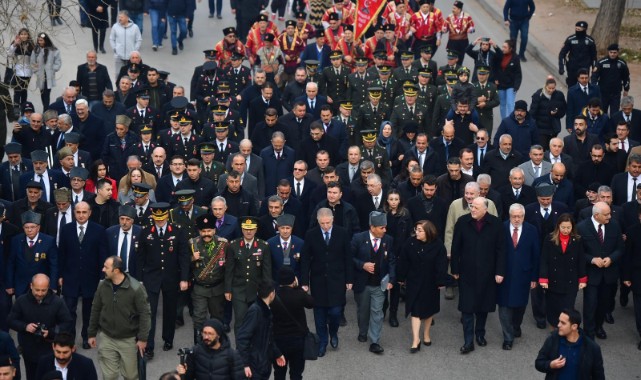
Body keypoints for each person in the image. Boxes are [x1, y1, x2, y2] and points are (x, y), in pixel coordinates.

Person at [451, 197, 505, 354]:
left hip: (488, 274)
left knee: (483, 307)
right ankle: (468, 341)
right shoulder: (462, 222)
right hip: (467, 273)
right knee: (467, 308)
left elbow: (501, 250)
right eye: (471, 206)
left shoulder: (495, 224)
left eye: (475, 207)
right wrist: (454, 269)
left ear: (485, 210)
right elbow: (456, 248)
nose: (472, 209)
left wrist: (500, 272)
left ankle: (480, 333)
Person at [136, 202, 189, 358]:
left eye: (162, 217)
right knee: (149, 312)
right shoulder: (146, 232)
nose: (159, 221)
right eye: (156, 218)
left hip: (171, 277)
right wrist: (139, 280)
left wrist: (184, 278)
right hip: (151, 277)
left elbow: (184, 257)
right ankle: (149, 346)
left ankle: (168, 338)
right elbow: (140, 259)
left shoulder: (178, 232)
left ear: (167, 216)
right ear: (153, 216)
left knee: (170, 311)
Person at [300, 208, 353, 357]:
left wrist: (349, 279)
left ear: (332, 220)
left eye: (328, 223)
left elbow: (348, 257)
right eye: (322, 223)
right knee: (319, 315)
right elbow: (305, 259)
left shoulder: (342, 233)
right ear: (318, 221)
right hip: (318, 281)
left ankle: (334, 333)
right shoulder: (311, 234)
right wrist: (305, 281)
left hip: (337, 280)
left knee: (336, 312)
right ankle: (322, 342)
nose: (325, 226)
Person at [88, 256, 151, 380]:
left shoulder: (136, 288)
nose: (103, 269)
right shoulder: (102, 286)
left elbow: (145, 314)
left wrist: (143, 339)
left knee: (131, 376)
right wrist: (91, 333)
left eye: (106, 267)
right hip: (107, 338)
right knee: (109, 376)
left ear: (116, 270)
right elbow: (95, 309)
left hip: (128, 340)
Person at [58, 201, 108, 348]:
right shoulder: (66, 229)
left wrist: (102, 277)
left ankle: (86, 336)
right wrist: (60, 275)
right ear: (74, 213)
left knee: (89, 311)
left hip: (90, 278)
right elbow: (62, 254)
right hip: (70, 277)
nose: (81, 215)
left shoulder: (99, 230)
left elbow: (103, 255)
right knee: (69, 311)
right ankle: (70, 338)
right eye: (78, 212)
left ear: (90, 213)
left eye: (84, 212)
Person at [8, 274, 72, 380]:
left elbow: (67, 323)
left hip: (49, 350)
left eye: (43, 290)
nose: (40, 293)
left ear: (48, 288)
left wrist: (50, 332)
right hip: (29, 349)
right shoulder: (21, 301)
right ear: (31, 286)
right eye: (37, 290)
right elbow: (11, 320)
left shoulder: (57, 302)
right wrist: (25, 327)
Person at [397, 220, 447, 353]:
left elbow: (441, 264)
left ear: (428, 232)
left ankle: (426, 334)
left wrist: (441, 281)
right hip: (414, 281)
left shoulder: (438, 245)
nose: (416, 232)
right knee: (415, 309)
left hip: (431, 282)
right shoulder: (410, 243)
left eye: (420, 230)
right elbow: (403, 261)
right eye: (416, 229)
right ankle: (415, 340)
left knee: (429, 309)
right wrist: (401, 278)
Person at [577, 202, 624, 340]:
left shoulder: (614, 225)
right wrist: (591, 259)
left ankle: (599, 326)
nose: (610, 216)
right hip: (591, 274)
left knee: (604, 304)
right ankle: (589, 333)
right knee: (590, 305)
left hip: (609, 274)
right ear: (596, 215)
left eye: (610, 213)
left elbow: (620, 248)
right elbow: (579, 252)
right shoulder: (582, 227)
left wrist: (611, 258)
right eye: (606, 214)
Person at [496, 204, 540, 350]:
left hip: (524, 274)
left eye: (519, 216)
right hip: (504, 274)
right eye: (514, 216)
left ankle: (516, 325)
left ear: (524, 216)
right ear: (509, 216)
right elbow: (495, 252)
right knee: (504, 305)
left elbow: (536, 255)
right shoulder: (501, 228)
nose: (517, 219)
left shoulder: (531, 230)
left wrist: (534, 278)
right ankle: (508, 337)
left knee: (520, 305)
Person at [351, 211, 395, 354]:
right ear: (372, 227)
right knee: (363, 311)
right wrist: (362, 264)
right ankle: (363, 332)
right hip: (363, 284)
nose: (385, 230)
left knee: (377, 312)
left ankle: (375, 341)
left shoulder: (388, 240)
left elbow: (392, 261)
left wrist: (391, 279)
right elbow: (349, 258)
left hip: (379, 285)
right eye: (382, 227)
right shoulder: (358, 238)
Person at [539, 213, 587, 329]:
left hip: (571, 280)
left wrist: (582, 279)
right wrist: (543, 278)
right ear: (558, 226)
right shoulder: (549, 239)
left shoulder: (577, 240)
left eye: (568, 227)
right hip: (553, 279)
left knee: (568, 307)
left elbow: (581, 260)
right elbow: (544, 259)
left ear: (572, 227)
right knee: (553, 307)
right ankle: (554, 329)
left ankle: (565, 329)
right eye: (563, 227)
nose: (566, 230)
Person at [225, 216, 272, 332]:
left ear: (256, 229)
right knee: (240, 321)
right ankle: (240, 349)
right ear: (242, 229)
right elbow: (229, 270)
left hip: (257, 290)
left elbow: (267, 271)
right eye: (246, 229)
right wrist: (228, 290)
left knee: (256, 321)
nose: (249, 231)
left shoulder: (263, 246)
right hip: (238, 290)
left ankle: (254, 349)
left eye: (251, 229)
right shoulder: (233, 245)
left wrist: (267, 291)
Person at [190, 214, 230, 344]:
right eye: (203, 231)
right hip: (200, 288)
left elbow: (229, 268)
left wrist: (228, 288)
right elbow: (182, 265)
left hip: (217, 288)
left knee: (217, 318)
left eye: (209, 231)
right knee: (199, 318)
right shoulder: (192, 244)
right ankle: (198, 346)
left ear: (214, 230)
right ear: (199, 231)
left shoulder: (223, 244)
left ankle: (217, 345)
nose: (206, 234)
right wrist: (192, 259)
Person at [534, 309, 605, 379]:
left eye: (563, 323)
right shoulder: (553, 339)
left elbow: (598, 376)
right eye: (559, 321)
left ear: (574, 326)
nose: (558, 325)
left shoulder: (592, 348)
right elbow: (539, 363)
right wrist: (550, 365)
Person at [235, 281, 285, 380]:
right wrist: (245, 364)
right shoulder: (256, 311)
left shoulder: (265, 310)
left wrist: (277, 353)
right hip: (255, 365)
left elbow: (268, 338)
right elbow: (242, 338)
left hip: (262, 363)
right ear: (272, 294)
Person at [270, 266, 313, 380]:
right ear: (294, 279)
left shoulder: (273, 296)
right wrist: (298, 287)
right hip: (297, 340)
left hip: (278, 340)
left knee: (279, 372)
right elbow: (311, 303)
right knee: (296, 373)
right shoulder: (299, 294)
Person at [6, 211, 58, 298]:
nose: (29, 230)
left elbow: (54, 265)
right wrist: (9, 284)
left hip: (41, 287)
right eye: (26, 227)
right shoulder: (16, 240)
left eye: (32, 227)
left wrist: (53, 285)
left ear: (38, 227)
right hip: (21, 286)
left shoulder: (48, 241)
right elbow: (10, 263)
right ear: (23, 228)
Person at [175, 318, 245, 379]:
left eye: (210, 334)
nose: (206, 337)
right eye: (204, 333)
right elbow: (188, 377)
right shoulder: (195, 352)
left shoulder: (232, 355)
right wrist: (182, 373)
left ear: (218, 335)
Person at [529, 76, 567, 148]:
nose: (551, 90)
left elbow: (563, 110)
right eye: (549, 88)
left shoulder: (559, 95)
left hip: (553, 128)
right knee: (542, 148)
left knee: (551, 149)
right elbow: (532, 112)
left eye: (553, 88)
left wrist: (557, 113)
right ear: (545, 86)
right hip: (541, 129)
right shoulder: (538, 95)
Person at [558, 21, 597, 87]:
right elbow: (562, 54)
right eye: (576, 29)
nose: (577, 31)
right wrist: (561, 67)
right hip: (572, 68)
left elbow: (594, 56)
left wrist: (594, 68)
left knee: (583, 86)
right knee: (572, 87)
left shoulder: (590, 41)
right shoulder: (570, 39)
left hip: (584, 68)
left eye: (579, 29)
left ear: (584, 29)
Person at [30, 33, 61, 109]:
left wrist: (53, 69)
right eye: (38, 40)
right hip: (40, 75)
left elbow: (58, 62)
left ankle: (46, 110)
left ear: (45, 40)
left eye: (41, 40)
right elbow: (32, 62)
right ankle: (45, 108)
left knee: (47, 93)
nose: (39, 42)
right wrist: (36, 71)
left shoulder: (53, 50)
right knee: (42, 93)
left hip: (49, 76)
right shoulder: (36, 50)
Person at [492, 39, 522, 120]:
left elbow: (518, 73)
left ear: (510, 48)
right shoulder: (499, 56)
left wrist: (516, 86)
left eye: (505, 47)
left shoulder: (515, 58)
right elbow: (494, 68)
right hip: (500, 85)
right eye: (502, 47)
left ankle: (510, 122)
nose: (503, 49)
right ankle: (504, 122)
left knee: (510, 104)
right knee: (502, 105)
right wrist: (495, 79)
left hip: (511, 85)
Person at [7, 28, 35, 106]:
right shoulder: (16, 43)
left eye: (25, 34)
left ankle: (23, 107)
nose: (23, 36)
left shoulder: (31, 45)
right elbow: (9, 54)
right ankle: (16, 107)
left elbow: (36, 58)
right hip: (18, 71)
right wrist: (15, 44)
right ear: (19, 35)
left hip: (28, 72)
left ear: (28, 35)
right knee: (17, 90)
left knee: (24, 90)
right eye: (22, 34)